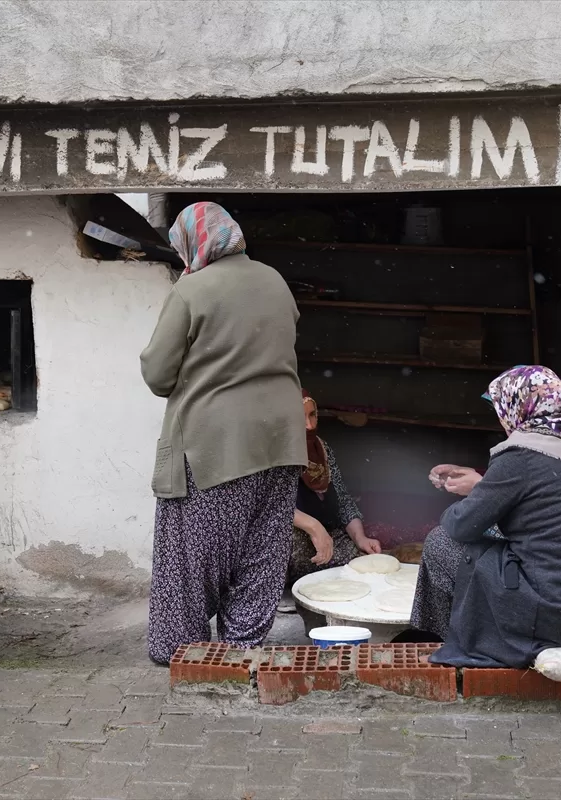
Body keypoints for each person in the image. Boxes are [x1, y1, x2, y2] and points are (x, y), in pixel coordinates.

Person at [141, 202, 306, 666]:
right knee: (263, 548)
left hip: (215, 443)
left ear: (194, 242)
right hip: (281, 436)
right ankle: (242, 644)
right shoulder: (274, 280)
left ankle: (181, 649)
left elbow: (157, 373)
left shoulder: (192, 289)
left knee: (192, 555)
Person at [413, 365, 561, 668]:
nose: (501, 420)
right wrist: (485, 484)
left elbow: (462, 525)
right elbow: (548, 510)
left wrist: (472, 497)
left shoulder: (521, 453)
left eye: (500, 409)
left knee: (441, 541)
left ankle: (455, 642)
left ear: (519, 406)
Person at [287, 391, 380, 587]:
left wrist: (360, 537)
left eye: (312, 415)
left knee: (362, 565)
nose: (309, 425)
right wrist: (314, 527)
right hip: (291, 539)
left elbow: (343, 499)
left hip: (324, 533)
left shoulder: (323, 449)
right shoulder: (276, 456)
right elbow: (269, 507)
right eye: (298, 417)